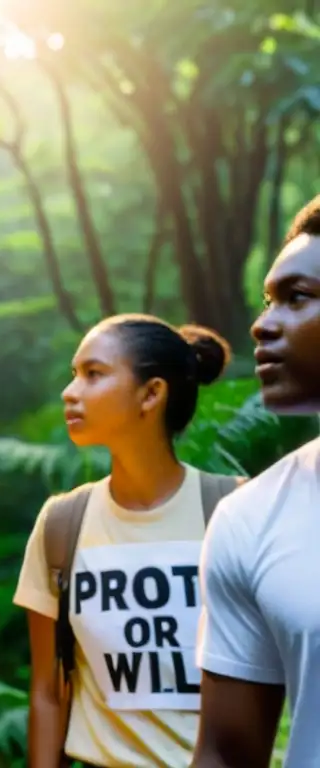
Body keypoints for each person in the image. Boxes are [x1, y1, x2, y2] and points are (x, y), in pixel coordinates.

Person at [13, 313, 242, 768]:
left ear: (152, 393)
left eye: (93, 374)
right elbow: (48, 692)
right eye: (74, 374)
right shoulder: (63, 522)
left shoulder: (235, 509)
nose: (70, 391)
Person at [193, 197, 320, 768]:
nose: (261, 324)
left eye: (297, 298)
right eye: (268, 300)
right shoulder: (251, 518)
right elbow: (225, 755)